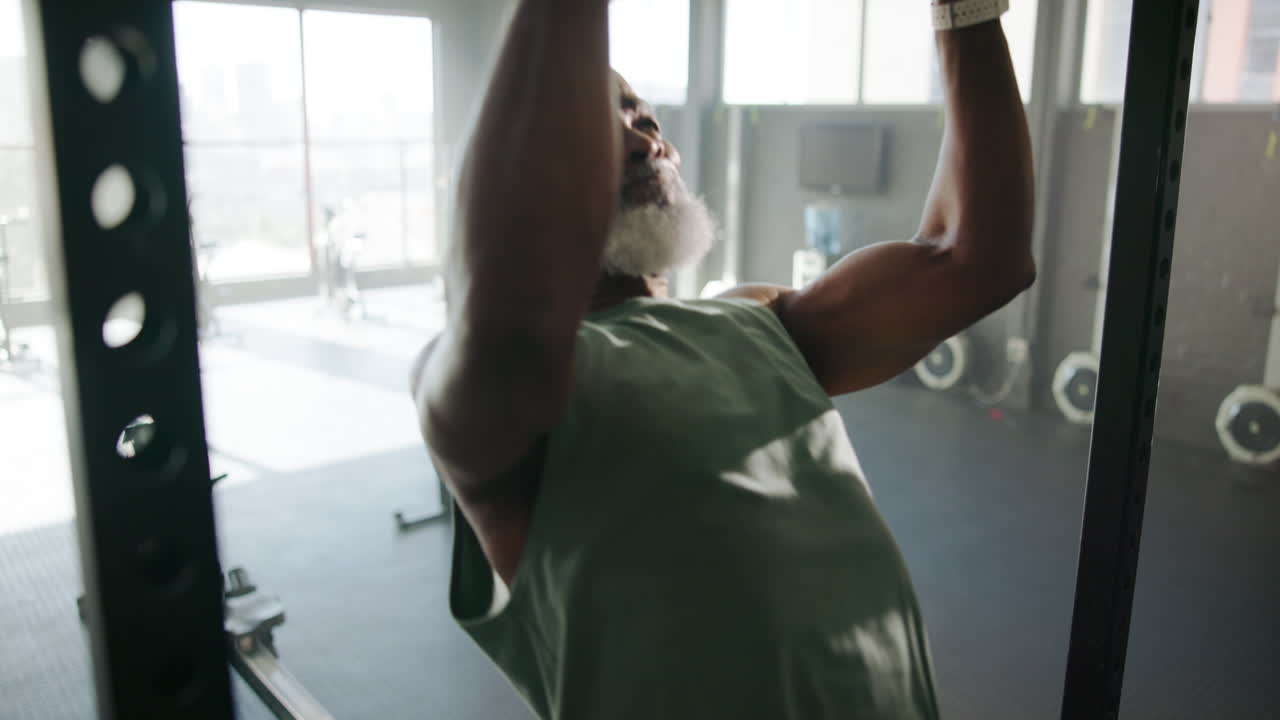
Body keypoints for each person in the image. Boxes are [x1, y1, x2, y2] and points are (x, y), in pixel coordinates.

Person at [410, 0, 1034, 717]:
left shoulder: (761, 322)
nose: (644, 144)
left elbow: (978, 259)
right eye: (594, 132)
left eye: (645, 120)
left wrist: (964, 11)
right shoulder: (479, 390)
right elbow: (510, 309)